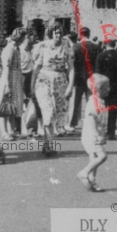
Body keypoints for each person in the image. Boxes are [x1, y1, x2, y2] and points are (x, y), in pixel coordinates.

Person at [32, 25, 73, 154]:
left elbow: (71, 68)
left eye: (60, 33)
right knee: (48, 112)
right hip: (44, 80)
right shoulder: (43, 46)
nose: (58, 36)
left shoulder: (67, 47)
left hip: (60, 81)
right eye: (55, 33)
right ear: (51, 34)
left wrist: (70, 85)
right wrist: (31, 86)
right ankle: (49, 146)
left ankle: (46, 144)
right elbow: (36, 67)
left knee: (56, 114)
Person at [77, 74, 110, 192]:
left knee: (94, 156)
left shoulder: (99, 100)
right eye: (107, 87)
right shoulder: (94, 103)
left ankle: (91, 179)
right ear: (99, 89)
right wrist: (97, 135)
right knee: (102, 156)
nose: (109, 89)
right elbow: (91, 119)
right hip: (91, 136)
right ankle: (84, 172)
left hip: (93, 135)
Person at [0, 28, 26, 139]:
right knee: (4, 106)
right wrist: (7, 85)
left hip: (15, 78)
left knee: (12, 107)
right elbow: (6, 67)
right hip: (9, 79)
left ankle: (11, 130)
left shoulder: (16, 48)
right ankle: (4, 132)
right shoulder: (10, 49)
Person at [70, 27, 100, 130]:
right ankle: (91, 121)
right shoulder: (96, 47)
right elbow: (97, 64)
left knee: (76, 102)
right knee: (90, 101)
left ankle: (73, 123)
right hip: (91, 77)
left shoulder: (76, 47)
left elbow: (73, 65)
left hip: (79, 78)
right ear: (89, 34)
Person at [96, 39, 117, 140]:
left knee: (100, 109)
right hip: (116, 86)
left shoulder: (101, 56)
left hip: (103, 86)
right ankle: (111, 132)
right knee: (113, 110)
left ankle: (99, 131)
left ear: (105, 44)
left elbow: (97, 73)